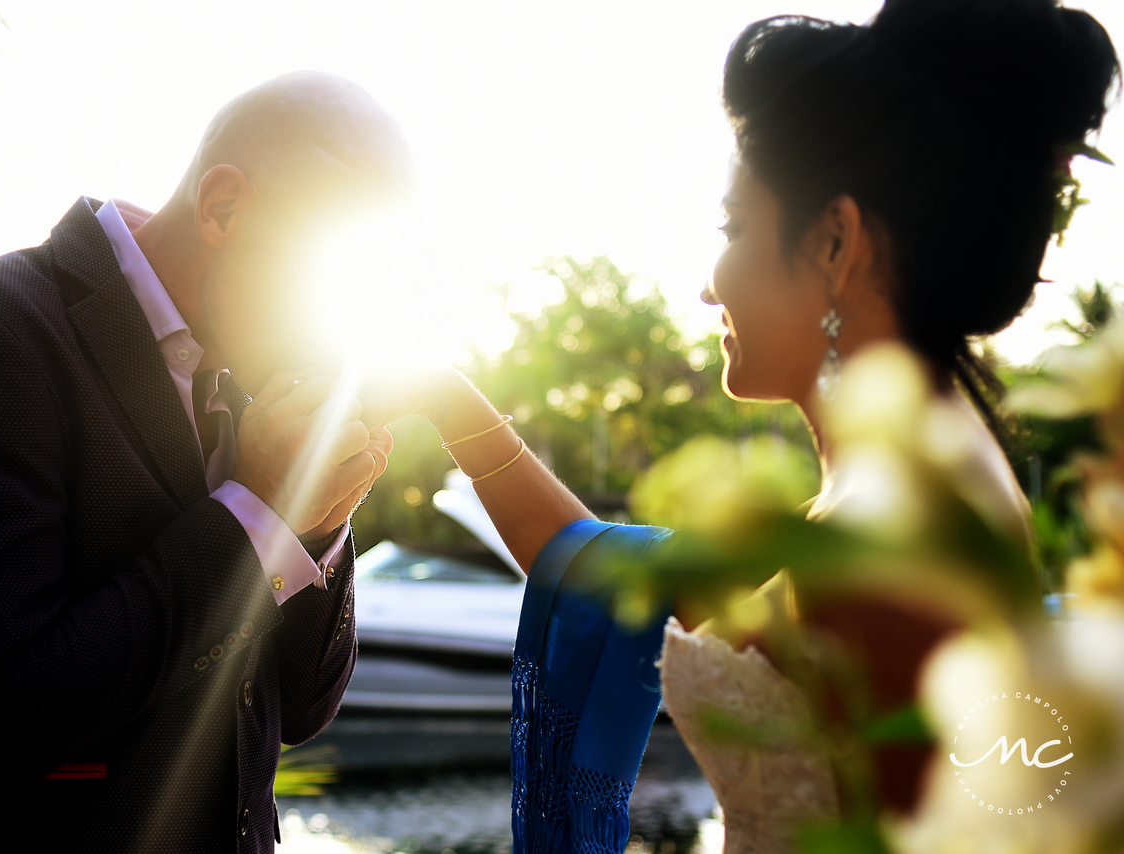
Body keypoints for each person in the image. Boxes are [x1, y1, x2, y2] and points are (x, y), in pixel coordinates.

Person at [362, 0, 1119, 850]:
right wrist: (450, 402)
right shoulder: (901, 484)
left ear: (835, 241)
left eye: (732, 227)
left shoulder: (894, 536)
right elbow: (613, 581)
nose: (709, 285)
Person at [0, 72, 410, 852]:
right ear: (224, 207)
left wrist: (316, 525)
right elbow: (4, 712)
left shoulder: (262, 368)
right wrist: (259, 512)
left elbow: (299, 709)